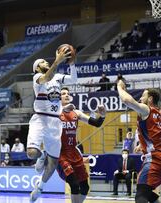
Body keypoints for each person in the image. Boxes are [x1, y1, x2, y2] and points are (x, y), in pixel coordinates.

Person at [27, 46, 77, 202]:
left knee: (54, 162)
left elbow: (73, 80)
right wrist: (57, 60)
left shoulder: (57, 77)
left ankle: (40, 187)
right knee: (31, 153)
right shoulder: (37, 78)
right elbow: (47, 78)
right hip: (40, 119)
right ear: (37, 68)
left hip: (55, 121)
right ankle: (41, 156)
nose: (45, 61)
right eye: (42, 61)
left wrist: (72, 63)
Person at [117, 80, 161, 203]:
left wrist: (120, 87)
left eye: (143, 95)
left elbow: (127, 101)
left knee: (140, 196)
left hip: (155, 159)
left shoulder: (146, 110)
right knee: (148, 193)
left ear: (150, 99)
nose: (140, 98)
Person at [57, 87, 105, 203]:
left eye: (68, 93)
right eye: (63, 94)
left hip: (74, 152)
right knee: (74, 184)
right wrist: (63, 109)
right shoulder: (55, 112)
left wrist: (102, 115)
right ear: (58, 98)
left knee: (85, 187)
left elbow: (97, 123)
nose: (67, 95)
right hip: (61, 153)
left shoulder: (76, 113)